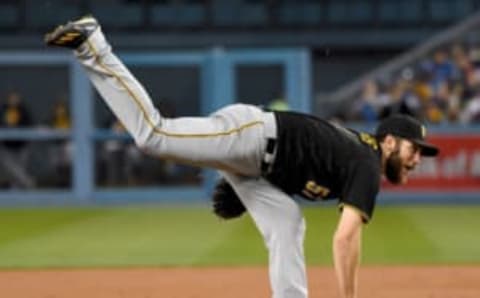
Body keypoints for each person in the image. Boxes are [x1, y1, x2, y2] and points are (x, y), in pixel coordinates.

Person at [45, 16, 439, 298]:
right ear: (389, 142)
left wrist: (245, 178)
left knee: (286, 223)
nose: (416, 158)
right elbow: (345, 238)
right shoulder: (367, 164)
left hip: (256, 162)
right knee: (154, 136)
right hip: (252, 136)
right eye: (412, 149)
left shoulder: (359, 156)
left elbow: (304, 159)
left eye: (420, 153)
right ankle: (93, 45)